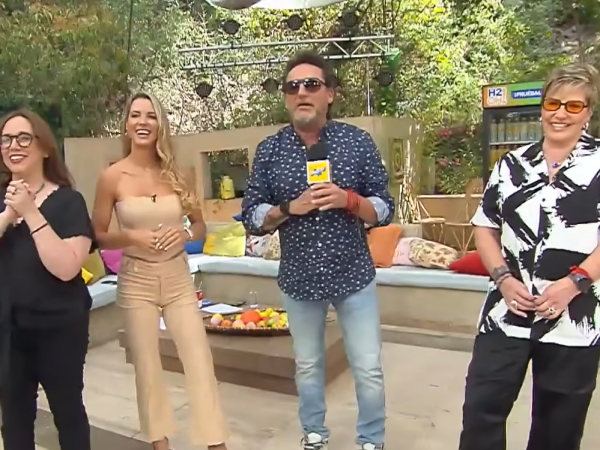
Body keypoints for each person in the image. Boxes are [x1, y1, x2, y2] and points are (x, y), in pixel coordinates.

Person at [242, 51, 394, 450]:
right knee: (308, 366)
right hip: (299, 278)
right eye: (292, 86)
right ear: (285, 97)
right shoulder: (270, 150)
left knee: (368, 367)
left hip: (353, 275)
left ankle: (371, 441)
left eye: (312, 84)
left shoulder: (356, 143)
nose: (301, 92)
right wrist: (287, 208)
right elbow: (252, 216)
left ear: (330, 94)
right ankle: (314, 435)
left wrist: (349, 200)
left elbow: (383, 208)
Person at [459, 63, 600, 450]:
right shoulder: (511, 165)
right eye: (553, 103)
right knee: (481, 413)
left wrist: (574, 283)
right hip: (507, 312)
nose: (560, 113)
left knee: (558, 428)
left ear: (587, 113)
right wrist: (503, 279)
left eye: (573, 106)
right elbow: (485, 226)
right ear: (541, 108)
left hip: (574, 317)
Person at [91, 92, 228, 450]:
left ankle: (216, 442)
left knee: (199, 360)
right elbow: (98, 235)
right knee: (148, 367)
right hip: (136, 279)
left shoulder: (178, 174)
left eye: (150, 116)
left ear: (160, 124)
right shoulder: (111, 177)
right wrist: (131, 236)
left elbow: (200, 226)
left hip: (178, 277)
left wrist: (184, 234)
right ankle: (159, 443)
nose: (143, 122)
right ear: (126, 124)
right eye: (135, 115)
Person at [0, 109, 95, 450]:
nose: (14, 146)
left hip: (59, 328)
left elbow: (67, 267)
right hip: (9, 330)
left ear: (43, 148)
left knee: (68, 414)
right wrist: (9, 214)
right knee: (14, 420)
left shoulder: (69, 201)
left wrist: (29, 212)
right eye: (6, 139)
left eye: (23, 138)